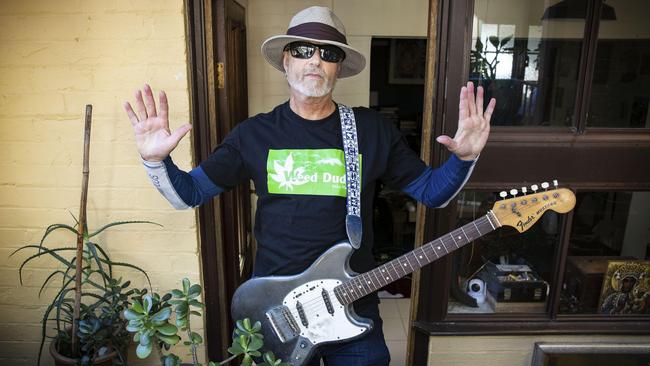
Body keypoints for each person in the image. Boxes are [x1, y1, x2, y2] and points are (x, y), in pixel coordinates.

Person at [124, 6, 495, 366]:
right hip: (275, 308)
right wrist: (156, 161)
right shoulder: (253, 134)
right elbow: (188, 194)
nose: (314, 60)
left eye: (328, 53)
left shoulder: (370, 131)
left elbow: (432, 193)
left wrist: (464, 158)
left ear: (338, 67)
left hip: (353, 305)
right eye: (303, 50)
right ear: (286, 60)